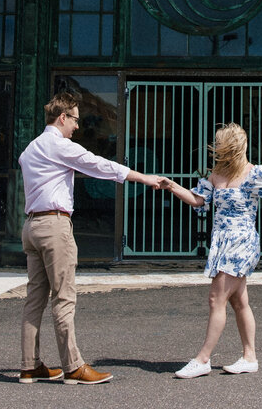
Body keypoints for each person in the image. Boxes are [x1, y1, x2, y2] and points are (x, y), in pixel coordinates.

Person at [17, 91, 164, 385]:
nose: (77, 127)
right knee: (63, 297)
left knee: (34, 299)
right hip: (54, 226)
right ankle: (73, 367)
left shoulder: (30, 149)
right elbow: (99, 165)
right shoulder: (59, 146)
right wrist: (145, 178)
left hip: (31, 226)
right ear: (62, 118)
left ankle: (30, 365)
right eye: (74, 119)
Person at [159, 123, 262, 378]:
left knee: (216, 298)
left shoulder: (253, 173)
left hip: (241, 242)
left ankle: (202, 360)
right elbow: (198, 200)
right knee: (238, 300)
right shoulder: (217, 174)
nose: (218, 149)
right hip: (222, 241)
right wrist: (172, 187)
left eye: (221, 144)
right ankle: (250, 357)